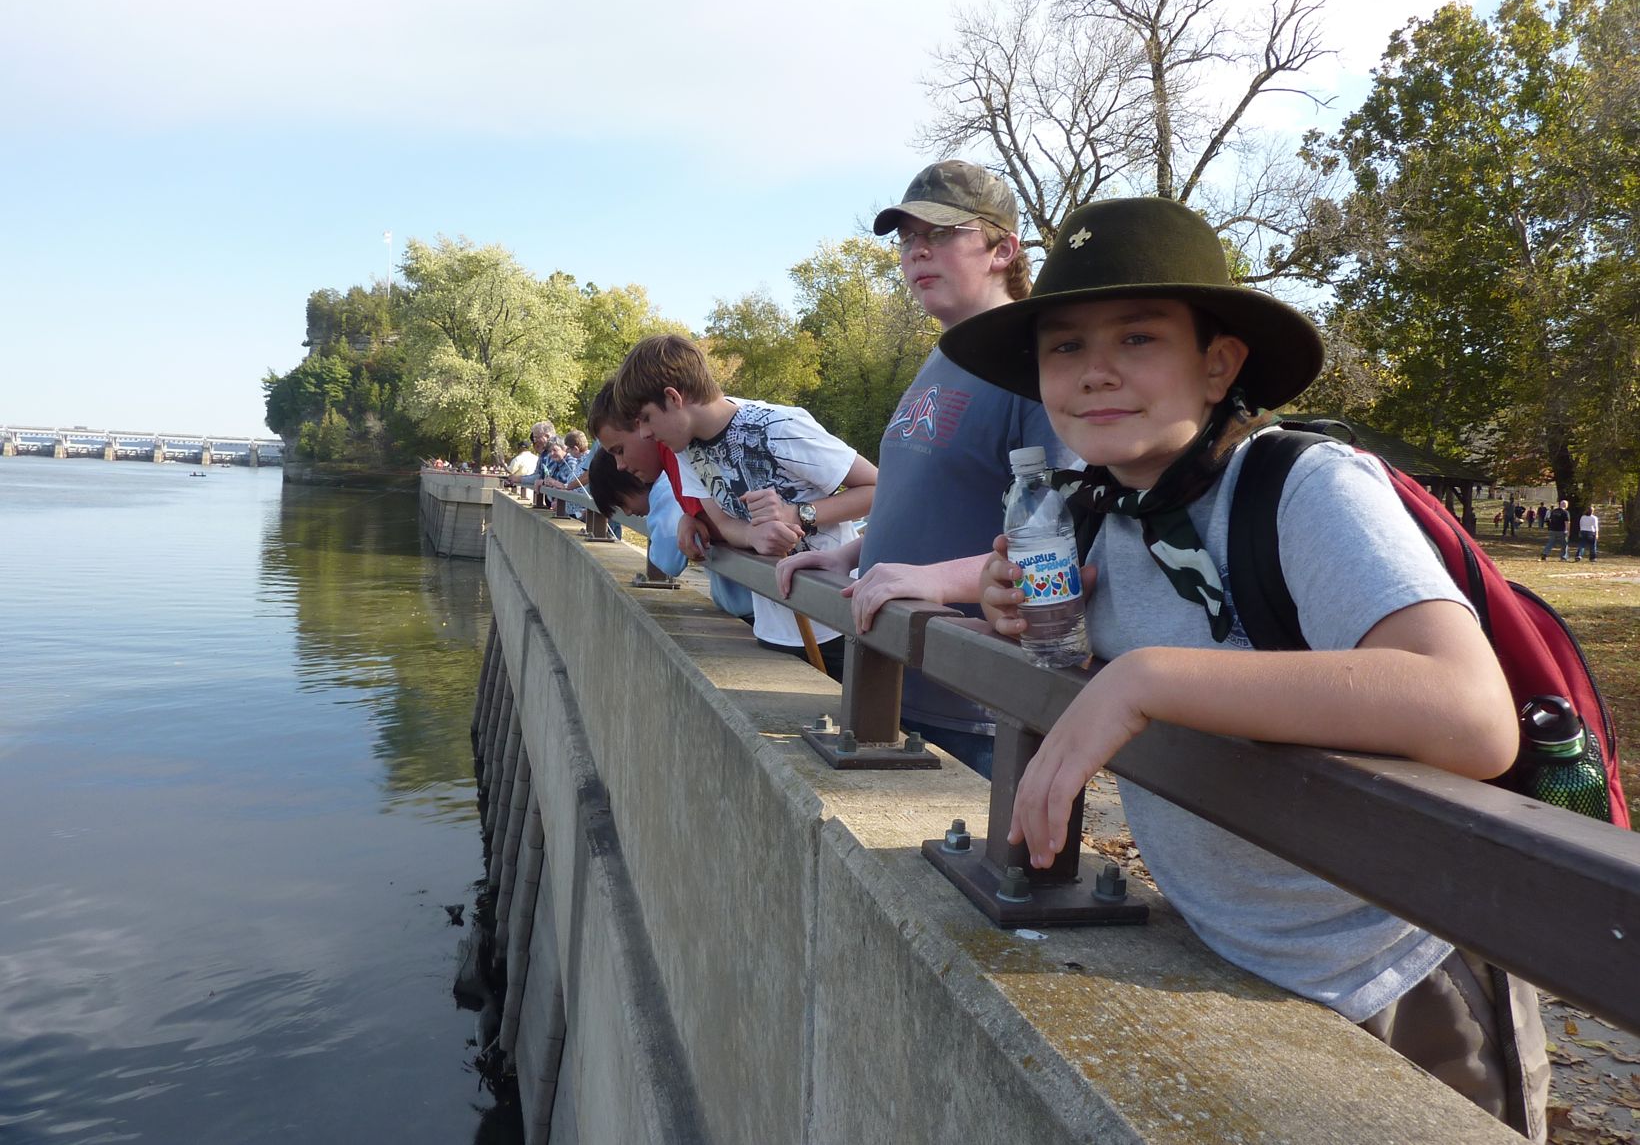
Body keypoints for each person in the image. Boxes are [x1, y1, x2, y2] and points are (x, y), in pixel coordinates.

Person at [936, 196, 1544, 1138]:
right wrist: (1010, 601)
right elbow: (1079, 631)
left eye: (1138, 339)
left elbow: (1468, 710)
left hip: (1389, 971)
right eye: (1063, 347)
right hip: (1220, 948)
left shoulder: (1304, 487)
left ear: (1219, 364)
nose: (1094, 372)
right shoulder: (1094, 510)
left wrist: (1145, 679)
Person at [774, 160, 1075, 777]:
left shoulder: (1039, 365)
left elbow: (1069, 544)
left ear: (1003, 249)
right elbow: (927, 495)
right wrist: (849, 554)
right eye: (908, 239)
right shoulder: (944, 355)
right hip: (892, 678)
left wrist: (937, 583)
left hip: (980, 707)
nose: (916, 252)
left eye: (939, 234)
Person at [612, 333, 876, 680]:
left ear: (673, 398)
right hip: (770, 627)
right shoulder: (687, 450)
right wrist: (754, 536)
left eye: (645, 418)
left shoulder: (778, 427)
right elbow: (723, 523)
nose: (645, 434)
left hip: (836, 624)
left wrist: (797, 515)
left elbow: (879, 488)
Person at [586, 380, 754, 619]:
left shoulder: (684, 455)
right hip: (761, 611)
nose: (621, 465)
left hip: (777, 614)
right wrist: (689, 516)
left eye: (620, 450)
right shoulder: (681, 458)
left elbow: (668, 559)